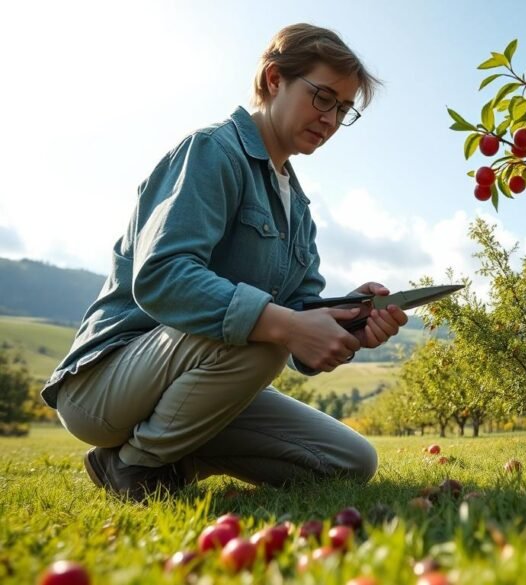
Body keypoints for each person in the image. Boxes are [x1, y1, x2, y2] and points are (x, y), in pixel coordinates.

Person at [39, 23, 407, 502]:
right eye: (322, 97)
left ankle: (176, 456)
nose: (331, 119)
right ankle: (132, 464)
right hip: (105, 385)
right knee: (270, 331)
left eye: (342, 109)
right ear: (274, 79)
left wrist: (348, 321)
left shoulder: (298, 209)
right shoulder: (212, 150)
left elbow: (301, 331)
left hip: (194, 383)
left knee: (351, 460)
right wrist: (286, 326)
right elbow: (162, 276)